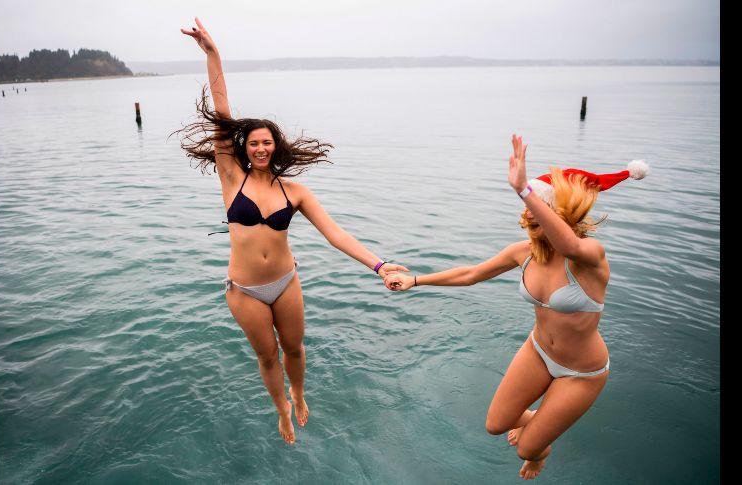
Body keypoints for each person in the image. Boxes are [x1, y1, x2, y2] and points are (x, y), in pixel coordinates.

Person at [176, 17, 409, 445]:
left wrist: (377, 265)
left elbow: (335, 234)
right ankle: (281, 408)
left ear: (275, 146)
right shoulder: (231, 177)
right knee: (267, 357)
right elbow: (223, 115)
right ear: (243, 149)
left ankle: (299, 393)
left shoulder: (296, 191)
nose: (260, 148)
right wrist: (213, 54)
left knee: (295, 350)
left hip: (286, 283)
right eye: (253, 143)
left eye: (266, 142)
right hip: (244, 289)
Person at [384, 135, 649, 479]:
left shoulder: (589, 256)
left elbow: (567, 245)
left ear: (561, 213)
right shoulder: (524, 252)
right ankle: (544, 420)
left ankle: (542, 448)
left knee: (527, 447)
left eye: (539, 204)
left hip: (582, 373)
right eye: (528, 204)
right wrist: (415, 281)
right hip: (538, 350)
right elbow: (471, 274)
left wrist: (524, 188)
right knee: (496, 425)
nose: (528, 211)